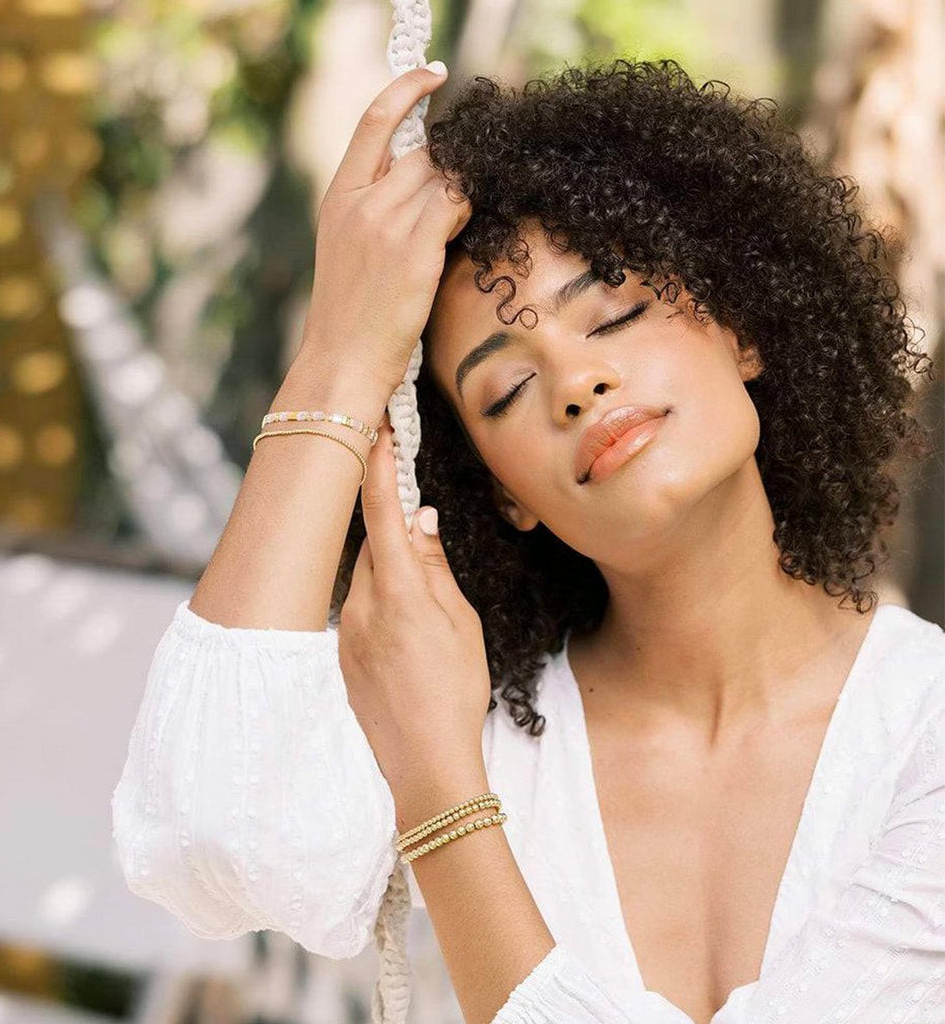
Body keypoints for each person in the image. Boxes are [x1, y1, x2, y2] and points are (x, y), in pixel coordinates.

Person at [112, 58, 945, 1024]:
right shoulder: (472, 718)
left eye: (616, 315)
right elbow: (201, 837)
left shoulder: (926, 728)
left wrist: (438, 796)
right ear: (501, 495)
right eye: (504, 391)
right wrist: (341, 351)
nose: (575, 382)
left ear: (745, 330)